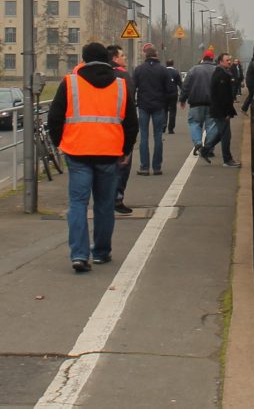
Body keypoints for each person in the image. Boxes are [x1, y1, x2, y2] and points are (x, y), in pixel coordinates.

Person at [48, 42, 138, 272]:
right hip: (109, 152)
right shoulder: (120, 85)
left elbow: (54, 118)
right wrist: (125, 150)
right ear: (108, 59)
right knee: (105, 204)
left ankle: (79, 255)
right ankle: (101, 252)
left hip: (77, 151)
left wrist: (61, 143)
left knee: (78, 204)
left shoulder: (70, 83)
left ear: (84, 59)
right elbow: (131, 123)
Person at [133, 45, 176, 176]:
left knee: (144, 136)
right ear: (156, 56)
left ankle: (144, 167)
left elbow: (133, 87)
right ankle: (157, 167)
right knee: (158, 136)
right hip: (159, 106)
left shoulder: (139, 70)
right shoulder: (163, 70)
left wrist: (135, 101)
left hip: (143, 106)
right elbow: (170, 89)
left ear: (146, 56)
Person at [197, 52, 241, 167]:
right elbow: (222, 96)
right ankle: (227, 160)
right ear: (221, 62)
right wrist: (227, 112)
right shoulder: (221, 75)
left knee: (221, 133)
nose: (230, 62)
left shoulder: (223, 73)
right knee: (226, 135)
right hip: (221, 111)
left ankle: (205, 150)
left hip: (220, 110)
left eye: (230, 60)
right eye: (227, 60)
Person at [107, 44, 136, 214]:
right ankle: (117, 198)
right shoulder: (124, 77)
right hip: (120, 127)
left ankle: (107, 197)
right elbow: (129, 104)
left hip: (101, 129)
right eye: (122, 55)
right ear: (115, 58)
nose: (125, 58)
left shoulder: (99, 75)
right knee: (122, 166)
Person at [179, 49, 217, 156]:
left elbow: (185, 86)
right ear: (212, 58)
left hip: (196, 103)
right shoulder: (217, 70)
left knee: (195, 123)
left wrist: (182, 99)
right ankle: (209, 148)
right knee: (211, 125)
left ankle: (198, 142)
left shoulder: (193, 70)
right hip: (212, 104)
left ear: (202, 58)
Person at [164, 59, 183, 133]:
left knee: (164, 110)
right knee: (173, 111)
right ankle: (171, 128)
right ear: (173, 64)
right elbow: (180, 84)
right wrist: (183, 94)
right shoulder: (176, 72)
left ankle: (163, 125)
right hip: (173, 94)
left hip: (164, 94)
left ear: (166, 64)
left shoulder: (163, 71)